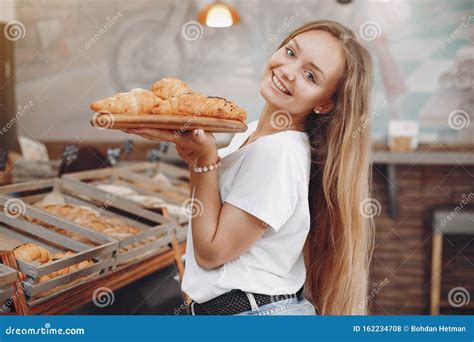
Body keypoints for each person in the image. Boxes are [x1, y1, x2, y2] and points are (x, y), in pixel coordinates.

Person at [126, 19, 375, 315]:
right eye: (291, 53)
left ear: (324, 104)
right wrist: (196, 158)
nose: (288, 72)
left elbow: (212, 252)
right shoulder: (251, 132)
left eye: (310, 75)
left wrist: (204, 162)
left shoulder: (279, 152)